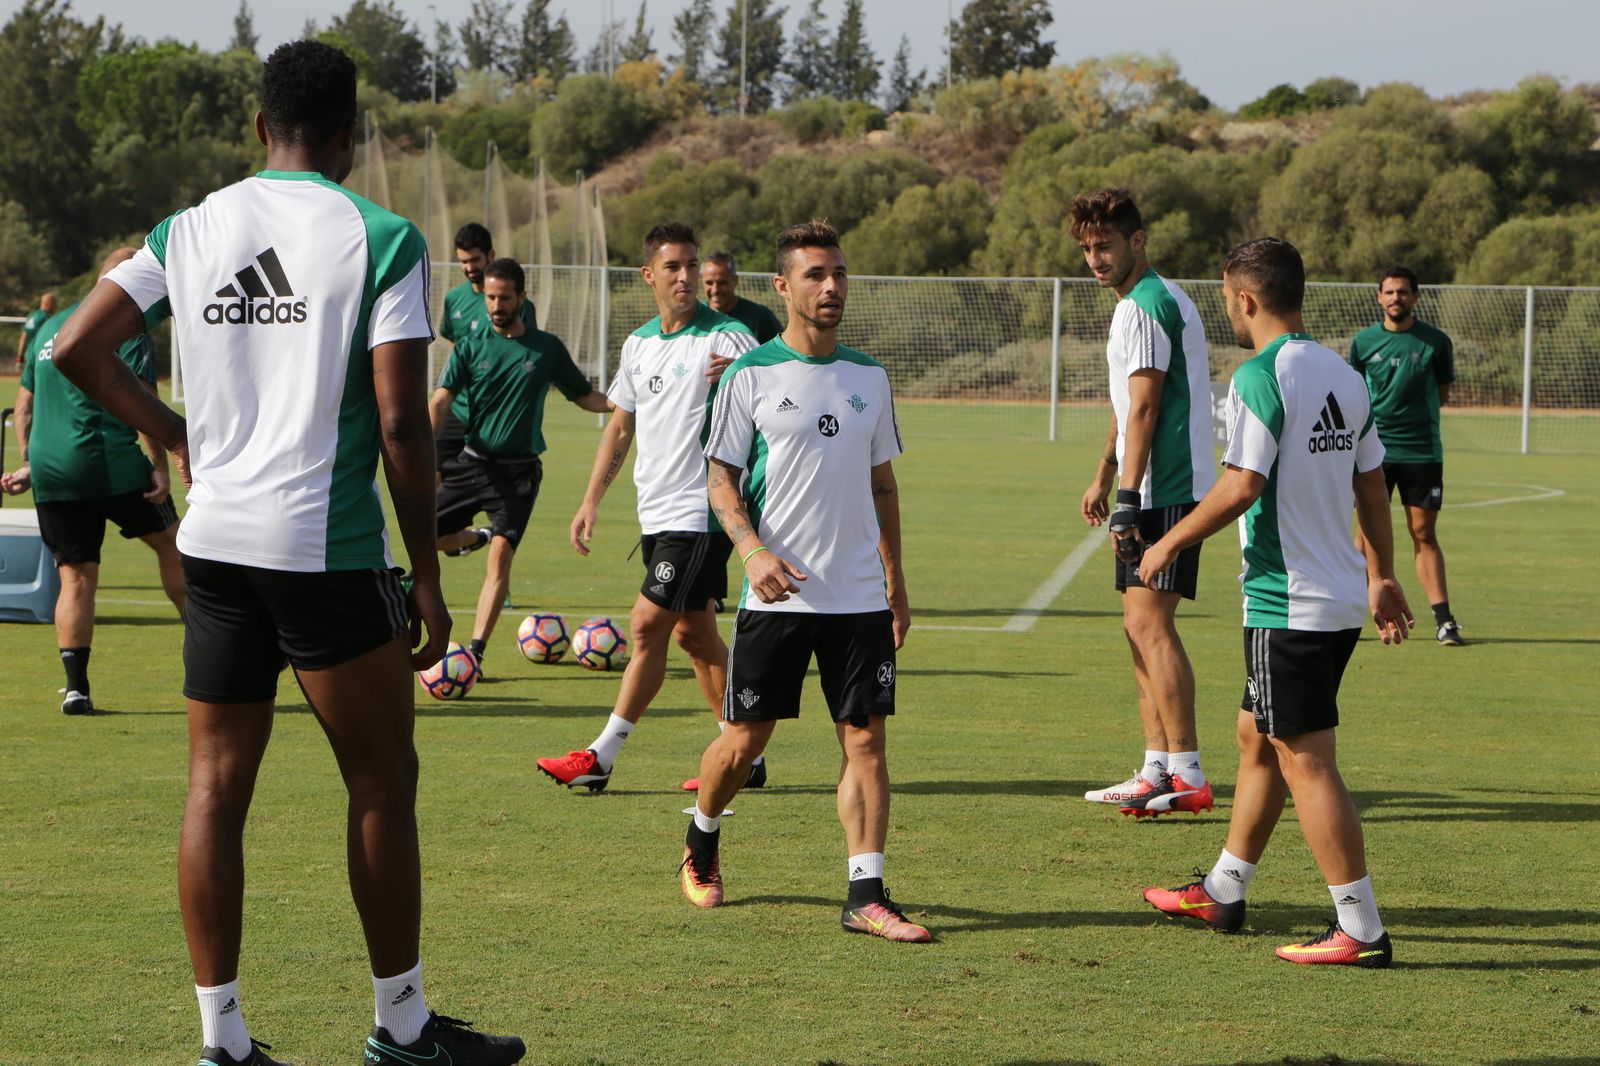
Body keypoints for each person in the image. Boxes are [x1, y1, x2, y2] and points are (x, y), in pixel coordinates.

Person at [50, 40, 524, 1066]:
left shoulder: (190, 226)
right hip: (325, 549)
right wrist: (431, 577)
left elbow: (72, 347)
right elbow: (404, 427)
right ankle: (401, 1024)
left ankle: (222, 1040)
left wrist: (172, 432)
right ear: (353, 138)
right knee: (380, 778)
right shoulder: (382, 235)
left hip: (214, 546)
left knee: (215, 790)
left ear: (260, 127)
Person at [1138, 236, 1413, 968]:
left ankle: (1360, 927)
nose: (1229, 308)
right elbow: (1372, 484)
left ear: (1246, 299)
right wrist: (1380, 573)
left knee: (1307, 761)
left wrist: (1166, 546)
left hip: (1285, 604)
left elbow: (1241, 485)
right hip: (1337, 605)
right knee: (1256, 737)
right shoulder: (1344, 375)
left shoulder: (1261, 377)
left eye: (1228, 298)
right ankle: (1225, 889)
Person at [685, 220, 929, 944]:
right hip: (777, 596)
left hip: (857, 598)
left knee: (865, 743)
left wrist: (896, 581)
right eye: (816, 275)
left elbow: (883, 485)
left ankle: (866, 892)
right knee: (744, 742)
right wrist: (753, 552)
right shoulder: (750, 375)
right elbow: (719, 480)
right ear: (783, 287)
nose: (831, 287)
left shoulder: (870, 377)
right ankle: (702, 836)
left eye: (840, 274)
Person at [535, 222, 760, 792]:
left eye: (691, 266)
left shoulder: (728, 337)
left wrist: (742, 376)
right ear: (649, 276)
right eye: (673, 268)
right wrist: (590, 500)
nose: (686, 278)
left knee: (644, 627)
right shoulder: (637, 344)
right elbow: (619, 426)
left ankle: (600, 758)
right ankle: (746, 753)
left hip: (702, 512)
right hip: (657, 514)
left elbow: (775, 394)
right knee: (695, 636)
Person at [1072, 188, 1218, 817]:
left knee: (1149, 624)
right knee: (1137, 627)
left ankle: (1185, 771)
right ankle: (1157, 766)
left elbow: (1148, 404)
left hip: (1167, 489)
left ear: (1138, 240)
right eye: (1086, 249)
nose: (1095, 259)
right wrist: (1104, 474)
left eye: (1104, 245)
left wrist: (1127, 497)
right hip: (1153, 486)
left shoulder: (1147, 304)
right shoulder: (1144, 301)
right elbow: (1126, 406)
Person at [1, 252, 182, 716]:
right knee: (174, 547)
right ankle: (212, 649)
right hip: (111, 464)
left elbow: (23, 408)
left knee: (76, 579)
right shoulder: (122, 322)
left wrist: (30, 463)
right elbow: (142, 396)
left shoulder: (48, 327)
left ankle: (76, 689)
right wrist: (159, 464)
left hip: (52, 469)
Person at [431, 257, 610, 670]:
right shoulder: (470, 348)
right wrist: (426, 453)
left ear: (522, 298)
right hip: (471, 464)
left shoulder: (546, 349)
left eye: (504, 297)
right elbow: (440, 401)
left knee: (501, 557)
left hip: (518, 474)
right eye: (491, 297)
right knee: (424, 539)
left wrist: (630, 403)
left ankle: (474, 651)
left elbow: (586, 397)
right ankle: (472, 538)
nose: (495, 304)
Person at [1350, 266, 1463, 645]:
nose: (1396, 297)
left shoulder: (1435, 342)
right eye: (1389, 292)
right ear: (1379, 297)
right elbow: (1354, 392)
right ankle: (1347, 610)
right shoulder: (1364, 342)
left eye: (1403, 292)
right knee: (1365, 533)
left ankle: (1444, 620)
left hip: (1422, 451)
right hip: (1373, 451)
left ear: (1415, 296)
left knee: (1423, 532)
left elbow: (1442, 391)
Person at [435, 223, 538, 484]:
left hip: (494, 416)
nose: (469, 267)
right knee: (431, 474)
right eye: (463, 261)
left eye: (475, 260)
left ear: (491, 255)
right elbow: (455, 346)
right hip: (458, 411)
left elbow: (524, 352)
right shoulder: (454, 299)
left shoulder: (521, 307)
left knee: (494, 485)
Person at [702, 250, 782, 344]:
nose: (715, 290)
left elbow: (782, 354)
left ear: (735, 280)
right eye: (709, 283)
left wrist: (742, 359)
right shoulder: (695, 316)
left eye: (722, 283)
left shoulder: (760, 317)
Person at [14, 290, 56, 371]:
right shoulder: (46, 318)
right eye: (55, 303)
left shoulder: (31, 316)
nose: (56, 306)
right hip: (40, 356)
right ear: (49, 303)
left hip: (28, 356)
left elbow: (23, 338)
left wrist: (20, 357)